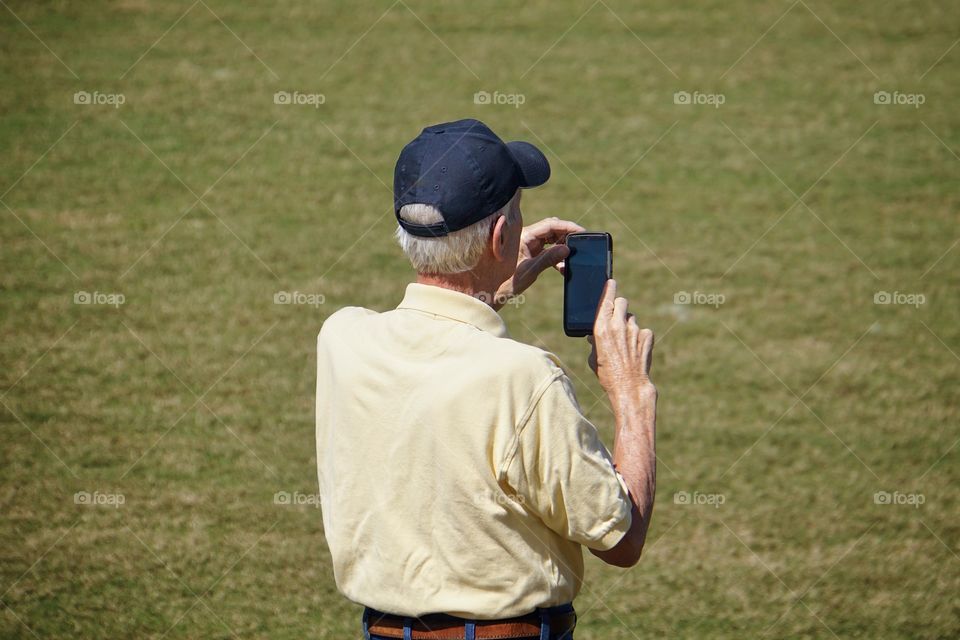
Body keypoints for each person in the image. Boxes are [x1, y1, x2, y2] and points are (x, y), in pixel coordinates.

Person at [316, 119, 658, 640]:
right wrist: (632, 394)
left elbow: (435, 360)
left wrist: (488, 283)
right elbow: (621, 540)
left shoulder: (341, 339)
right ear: (502, 235)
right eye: (516, 215)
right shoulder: (524, 378)